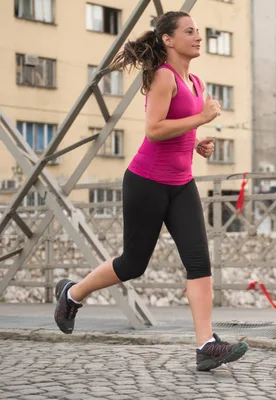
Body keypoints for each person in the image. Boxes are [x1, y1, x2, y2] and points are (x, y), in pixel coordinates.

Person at [53, 11, 248, 372]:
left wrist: (196, 144)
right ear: (168, 40)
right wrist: (201, 120)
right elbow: (155, 130)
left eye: (198, 31)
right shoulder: (163, 77)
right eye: (189, 31)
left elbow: (177, 131)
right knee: (133, 264)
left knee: (199, 262)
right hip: (146, 183)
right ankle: (72, 293)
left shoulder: (196, 82)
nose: (198, 36)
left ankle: (206, 345)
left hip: (181, 184)